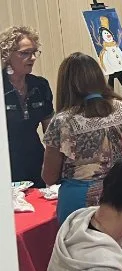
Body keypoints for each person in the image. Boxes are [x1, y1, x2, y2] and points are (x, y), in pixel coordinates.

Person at [42, 52, 122, 223]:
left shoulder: (63, 121)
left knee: (87, 240)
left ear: (65, 85)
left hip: (83, 202)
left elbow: (49, 176)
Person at [2, 25, 52, 187]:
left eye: (34, 52)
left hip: (36, 161)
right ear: (7, 55)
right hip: (7, 165)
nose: (32, 58)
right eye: (25, 53)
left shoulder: (40, 85)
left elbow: (51, 133)